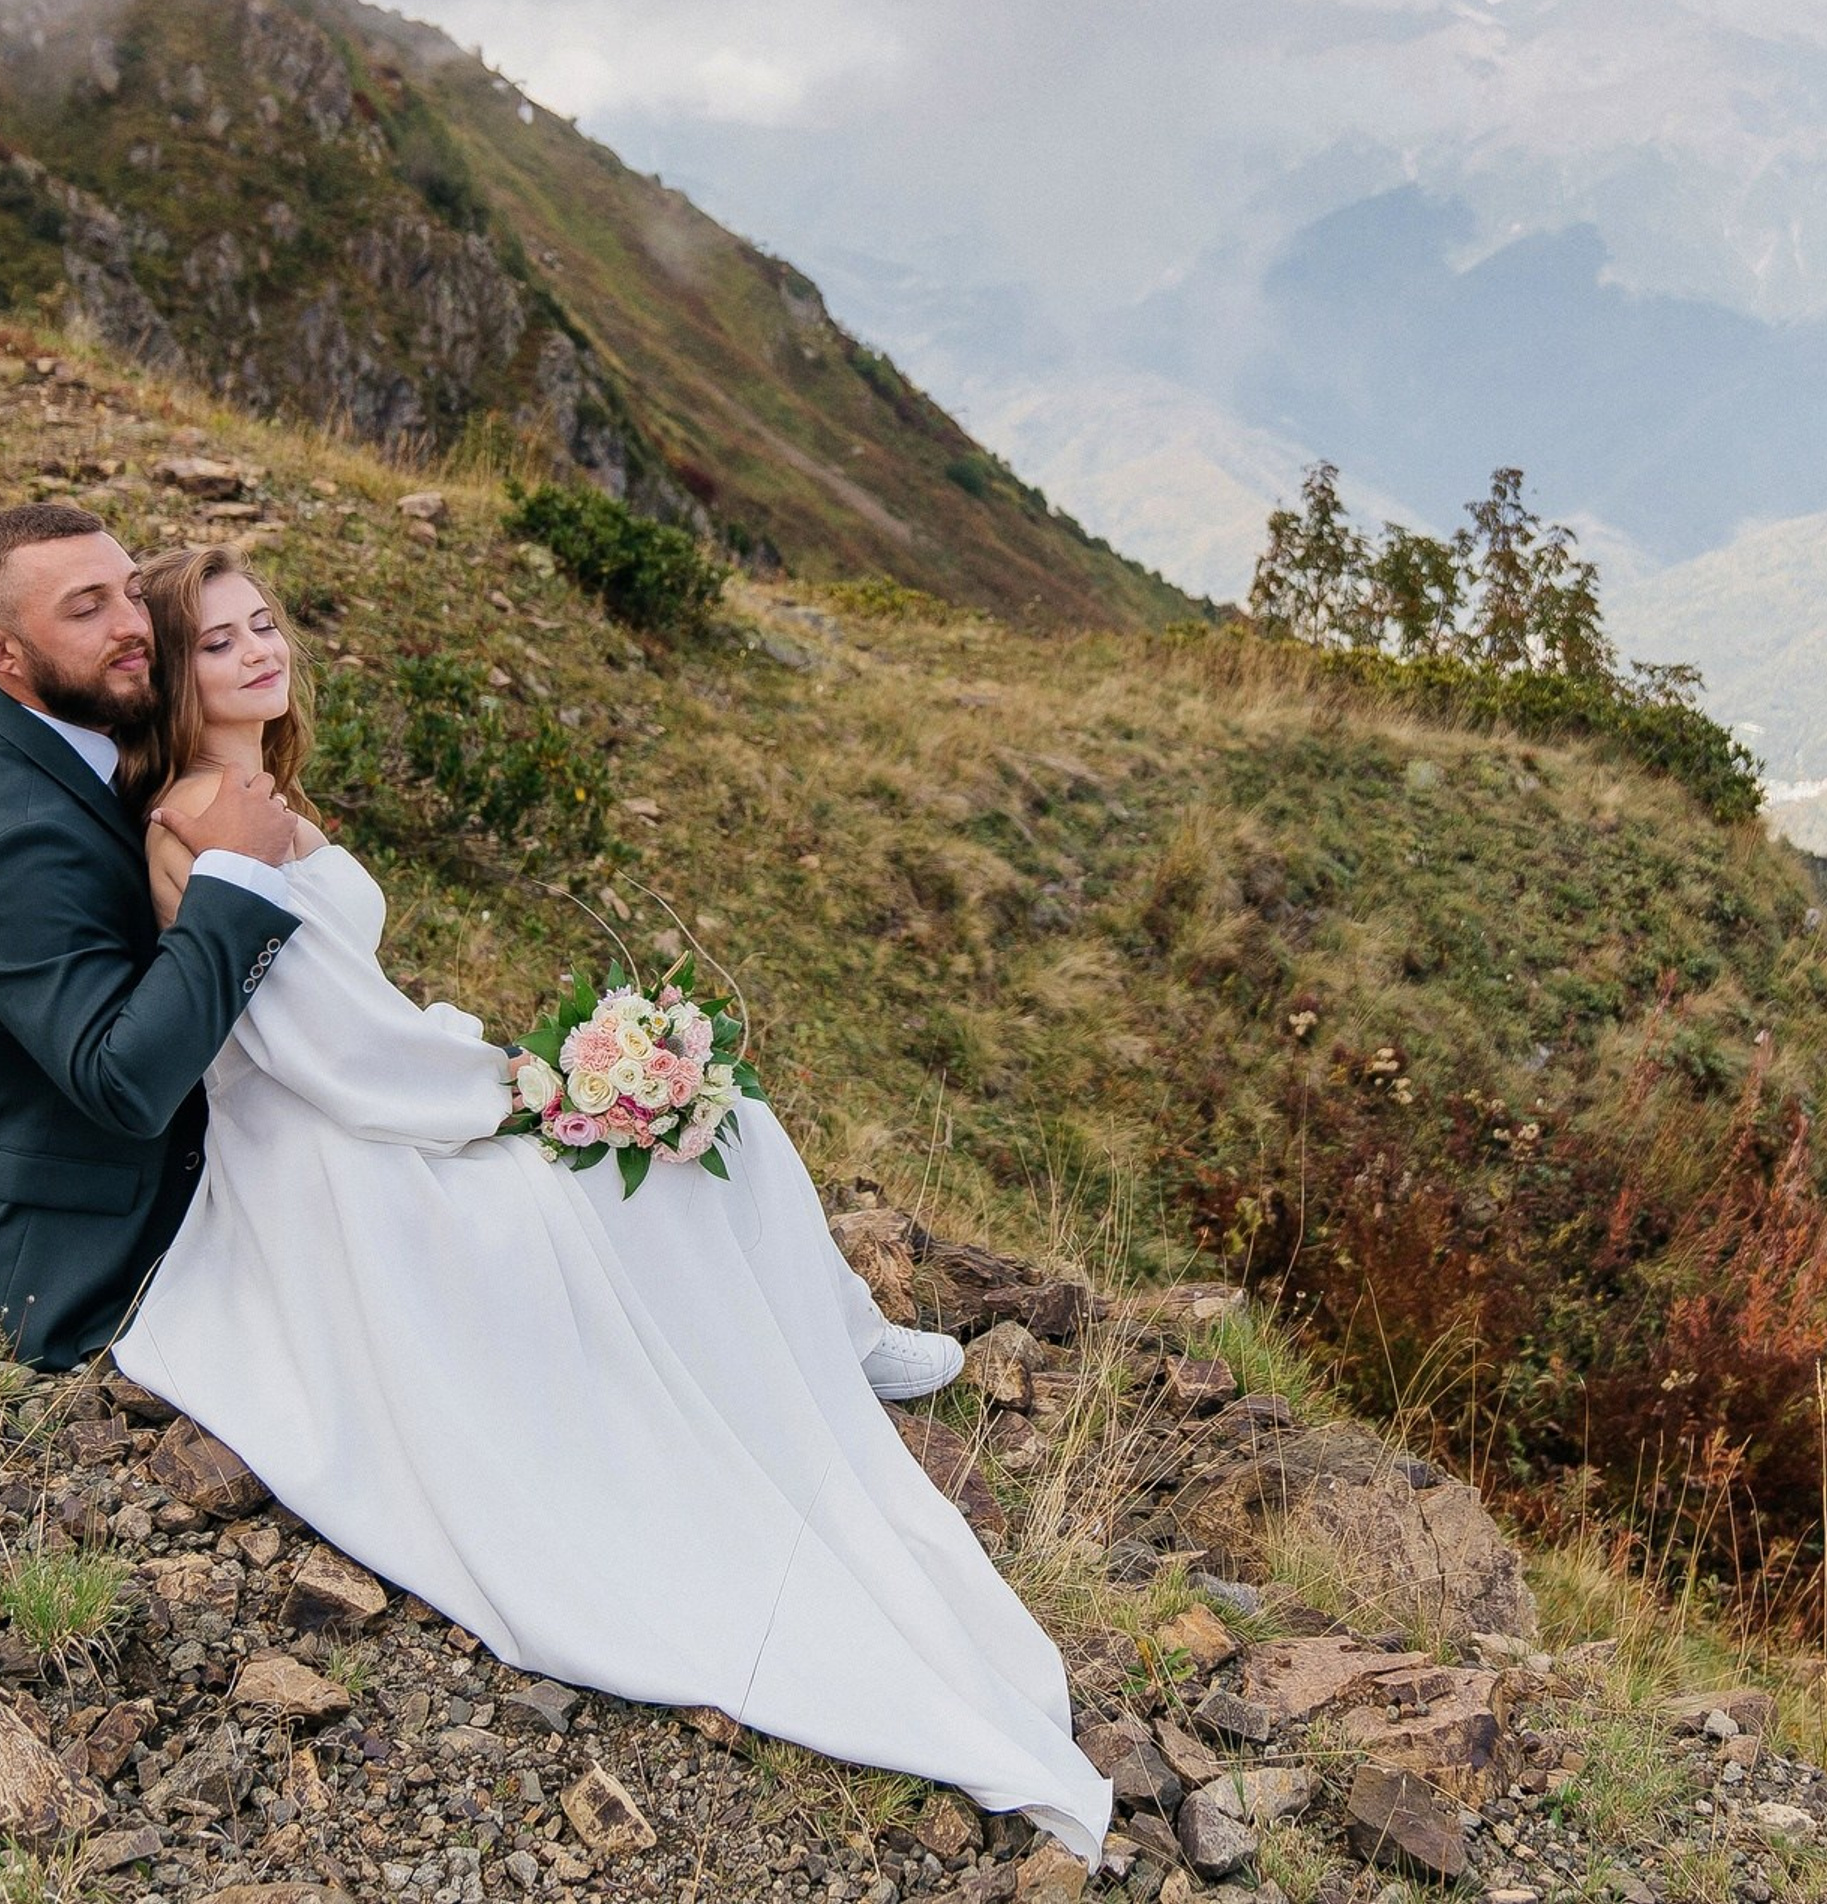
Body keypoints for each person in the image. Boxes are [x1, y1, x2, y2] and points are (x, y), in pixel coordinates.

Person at [111, 546, 1110, 1860]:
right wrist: (521, 1085)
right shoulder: (195, 821)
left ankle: (838, 1337)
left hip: (392, 1087)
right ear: (176, 675)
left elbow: (359, 1013)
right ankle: (830, 1347)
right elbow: (316, 1053)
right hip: (333, 1151)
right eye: (221, 640)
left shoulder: (269, 791)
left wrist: (528, 1071)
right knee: (649, 1160)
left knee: (719, 1116)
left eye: (265, 624)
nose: (259, 651)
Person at [0, 503, 301, 1368]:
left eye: (133, 593)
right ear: (7, 655)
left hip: (245, 1154)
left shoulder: (111, 748)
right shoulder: (17, 825)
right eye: (86, 608)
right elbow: (122, 1082)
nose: (135, 628)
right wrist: (236, 877)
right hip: (101, 1264)